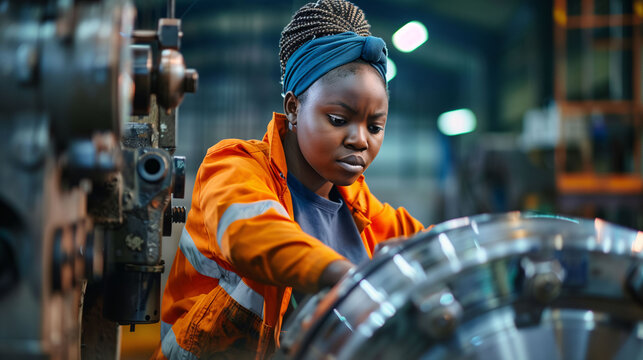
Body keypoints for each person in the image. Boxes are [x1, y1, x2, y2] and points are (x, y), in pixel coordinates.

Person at [154, 0, 426, 358]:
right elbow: (253, 235)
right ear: (293, 108)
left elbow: (433, 249)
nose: (360, 139)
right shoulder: (234, 165)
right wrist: (344, 276)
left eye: (374, 126)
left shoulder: (361, 209)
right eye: (339, 119)